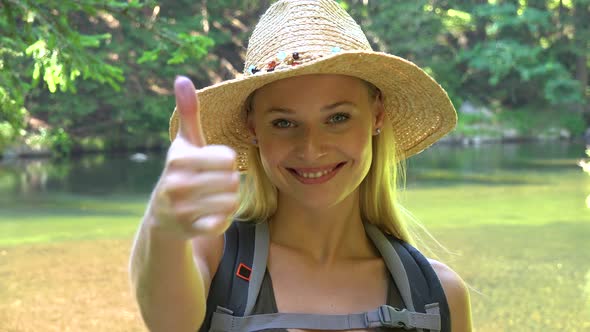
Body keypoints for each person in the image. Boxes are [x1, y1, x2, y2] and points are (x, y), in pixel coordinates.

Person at [129, 0, 472, 331]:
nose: (311, 148)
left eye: (337, 117)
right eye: (283, 123)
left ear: (377, 116)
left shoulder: (439, 297)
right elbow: (166, 321)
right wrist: (163, 225)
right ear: (253, 128)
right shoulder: (215, 260)